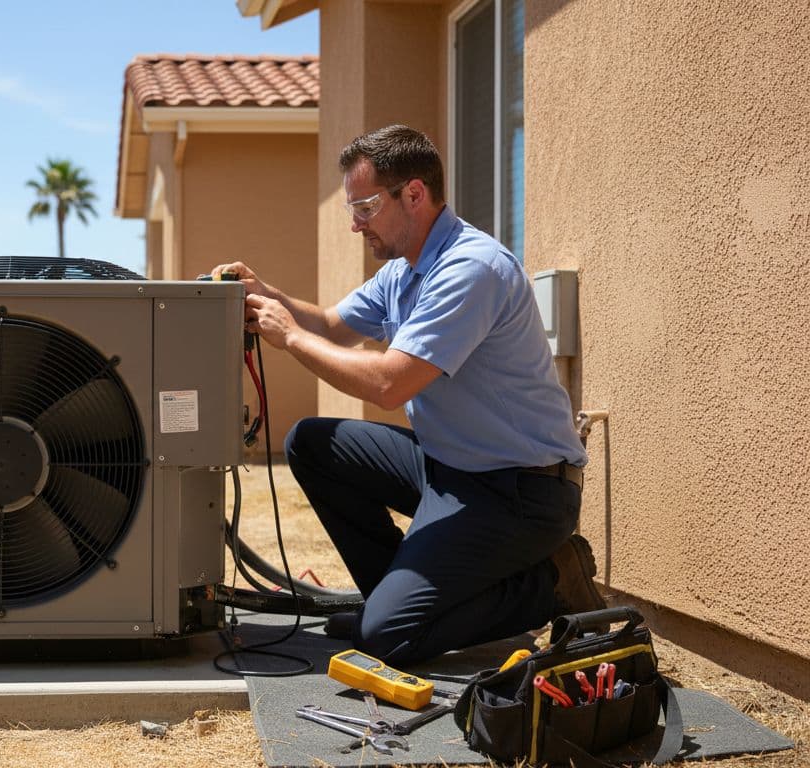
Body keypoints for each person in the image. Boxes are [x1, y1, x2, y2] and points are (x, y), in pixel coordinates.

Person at [211, 124, 605, 666]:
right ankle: (396, 600)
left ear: (414, 195)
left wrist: (289, 336)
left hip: (521, 493)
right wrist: (268, 296)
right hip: (451, 469)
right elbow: (331, 325)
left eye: (366, 207)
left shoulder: (470, 269)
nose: (355, 224)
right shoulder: (404, 271)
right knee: (312, 443)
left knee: (386, 640)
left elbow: (389, 385)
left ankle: (550, 583)